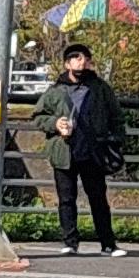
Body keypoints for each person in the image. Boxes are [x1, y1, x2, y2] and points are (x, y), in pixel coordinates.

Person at [40, 35, 124, 254]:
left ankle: (108, 243)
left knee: (98, 198)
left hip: (93, 151)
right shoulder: (55, 91)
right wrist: (55, 123)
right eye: (75, 58)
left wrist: (116, 141)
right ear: (67, 64)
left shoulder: (100, 88)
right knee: (66, 199)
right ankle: (70, 242)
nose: (81, 61)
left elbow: (116, 117)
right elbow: (39, 116)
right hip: (64, 151)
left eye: (85, 58)